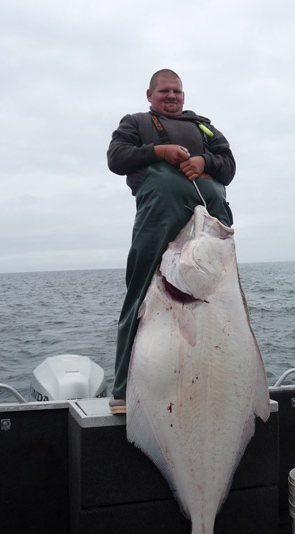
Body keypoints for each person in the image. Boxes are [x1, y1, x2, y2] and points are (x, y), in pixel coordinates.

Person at [107, 69, 236, 413]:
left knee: (219, 304)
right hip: (159, 218)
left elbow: (229, 167)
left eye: (177, 91)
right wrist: (158, 152)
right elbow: (116, 159)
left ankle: (211, 385)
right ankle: (123, 390)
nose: (172, 96)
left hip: (210, 224)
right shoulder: (135, 123)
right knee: (142, 297)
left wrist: (203, 161)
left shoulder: (205, 127)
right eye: (164, 91)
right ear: (149, 95)